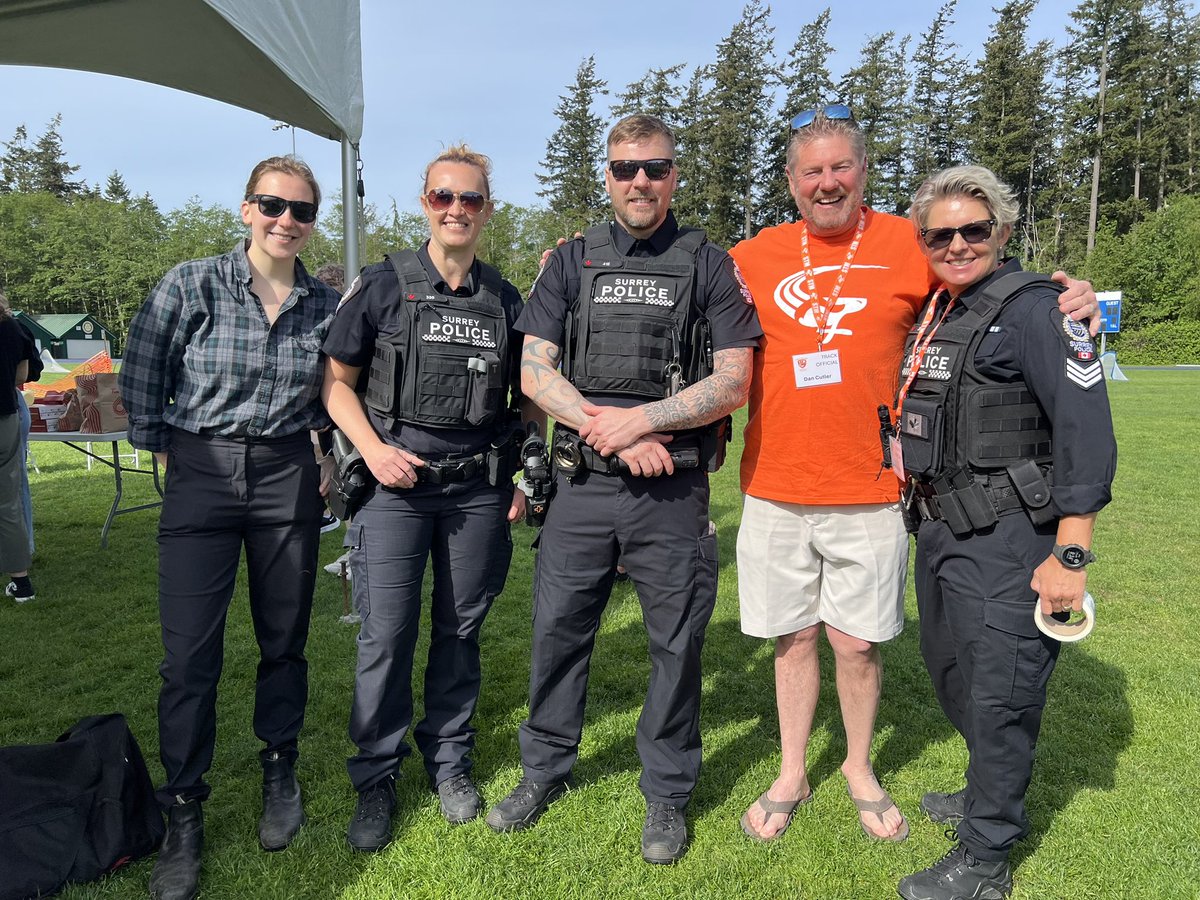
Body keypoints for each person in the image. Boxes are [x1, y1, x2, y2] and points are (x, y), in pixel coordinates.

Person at [727, 107, 1098, 844]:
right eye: (812, 172)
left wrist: (1074, 298)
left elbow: (991, 286)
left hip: (873, 489)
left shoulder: (914, 241)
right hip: (773, 484)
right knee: (793, 640)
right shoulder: (751, 255)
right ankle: (793, 768)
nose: (827, 183)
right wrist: (572, 256)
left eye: (841, 167)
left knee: (857, 643)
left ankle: (859, 766)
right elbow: (678, 288)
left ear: (863, 172)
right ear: (791, 183)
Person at [486, 114, 761, 865]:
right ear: (606, 177)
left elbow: (735, 378)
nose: (640, 181)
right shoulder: (570, 262)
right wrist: (607, 429)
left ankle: (667, 793)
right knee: (557, 633)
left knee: (676, 643)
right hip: (582, 486)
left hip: (671, 490)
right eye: (625, 169)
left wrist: (644, 422)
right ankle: (543, 768)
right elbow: (534, 369)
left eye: (655, 167)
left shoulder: (708, 262)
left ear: (675, 176)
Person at [120, 156, 340, 900]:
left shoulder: (325, 304)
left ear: (313, 223)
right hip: (202, 473)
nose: (286, 221)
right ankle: (184, 809)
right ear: (246, 209)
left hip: (285, 474)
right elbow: (144, 367)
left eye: (301, 211)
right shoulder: (192, 283)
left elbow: (337, 391)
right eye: (272, 206)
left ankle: (280, 767)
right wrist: (166, 443)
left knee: (284, 641)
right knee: (189, 659)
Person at [894, 165, 1115, 900]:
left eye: (973, 230)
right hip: (944, 530)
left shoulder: (1037, 309)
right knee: (954, 674)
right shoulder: (945, 310)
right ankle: (982, 790)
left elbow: (1086, 432)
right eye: (940, 234)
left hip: (1012, 538)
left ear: (1004, 231)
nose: (957, 244)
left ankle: (986, 860)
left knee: (1001, 693)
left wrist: (1070, 554)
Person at [322, 145, 540, 852]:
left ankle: (450, 763)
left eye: (470, 199)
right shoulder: (383, 285)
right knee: (385, 635)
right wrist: (374, 452)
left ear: (486, 209)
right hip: (395, 492)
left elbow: (529, 400)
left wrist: (521, 473)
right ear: (425, 202)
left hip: (476, 492)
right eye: (444, 197)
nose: (456, 210)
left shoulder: (505, 299)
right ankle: (376, 777)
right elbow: (335, 383)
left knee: (460, 633)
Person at [0, 292, 37, 602]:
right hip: (6, 416)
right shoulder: (12, 328)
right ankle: (21, 583)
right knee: (9, 502)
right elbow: (22, 375)